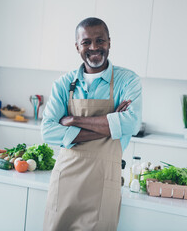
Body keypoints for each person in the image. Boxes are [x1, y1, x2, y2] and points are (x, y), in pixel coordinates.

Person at [41, 17, 142, 231]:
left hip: (104, 180)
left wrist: (75, 120)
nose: (94, 47)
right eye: (86, 42)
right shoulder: (63, 84)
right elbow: (48, 131)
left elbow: (131, 124)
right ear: (77, 46)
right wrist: (111, 124)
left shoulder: (128, 81)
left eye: (100, 40)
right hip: (66, 178)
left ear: (109, 42)